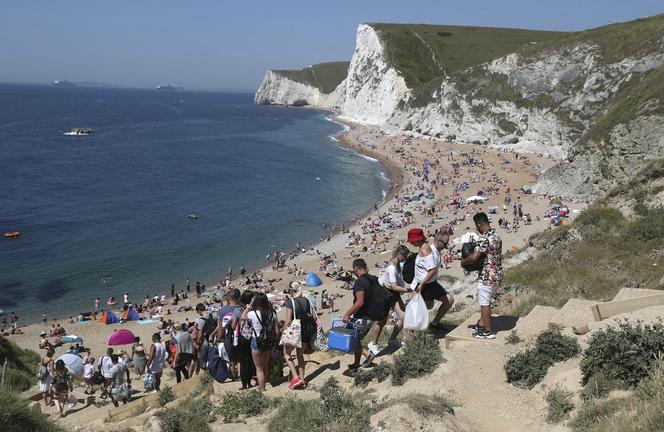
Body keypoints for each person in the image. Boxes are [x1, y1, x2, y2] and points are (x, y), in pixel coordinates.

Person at [461, 212, 503, 339]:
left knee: (485, 303)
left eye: (476, 226)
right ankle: (481, 324)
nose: (477, 229)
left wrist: (463, 262)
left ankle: (487, 331)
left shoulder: (484, 238)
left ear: (479, 224)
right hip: (497, 273)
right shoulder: (496, 235)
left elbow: (474, 258)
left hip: (487, 275)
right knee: (486, 300)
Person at [407, 228, 454, 331]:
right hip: (423, 285)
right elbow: (431, 270)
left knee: (449, 300)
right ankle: (414, 338)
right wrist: (422, 285)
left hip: (432, 284)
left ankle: (435, 324)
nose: (447, 246)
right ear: (437, 241)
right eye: (445, 243)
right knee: (420, 311)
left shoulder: (436, 251)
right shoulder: (429, 251)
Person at [343, 258, 383, 371]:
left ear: (356, 269)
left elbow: (360, 301)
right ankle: (356, 364)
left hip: (363, 316)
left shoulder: (360, 281)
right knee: (356, 340)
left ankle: (367, 354)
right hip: (371, 315)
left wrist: (347, 314)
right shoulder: (373, 278)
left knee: (352, 339)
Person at [370, 244, 411, 353]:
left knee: (404, 316)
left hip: (393, 295)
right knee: (381, 321)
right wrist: (408, 290)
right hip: (386, 295)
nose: (405, 259)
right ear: (400, 255)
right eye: (405, 256)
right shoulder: (392, 268)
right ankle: (373, 344)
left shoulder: (396, 266)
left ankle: (393, 339)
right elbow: (393, 286)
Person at [282, 282, 316, 390]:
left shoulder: (290, 302)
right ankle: (302, 379)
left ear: (292, 291)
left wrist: (283, 331)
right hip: (306, 330)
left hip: (296, 331)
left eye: (289, 290)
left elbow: (287, 321)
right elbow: (313, 316)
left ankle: (295, 377)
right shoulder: (306, 300)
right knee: (300, 355)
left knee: (286, 354)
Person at [240, 292, 277, 391]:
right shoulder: (271, 313)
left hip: (256, 340)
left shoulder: (252, 313)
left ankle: (262, 388)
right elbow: (275, 330)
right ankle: (264, 385)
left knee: (259, 368)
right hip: (268, 341)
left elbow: (242, 316)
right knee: (265, 366)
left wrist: (250, 306)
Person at [215, 290, 241, 380]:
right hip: (239, 336)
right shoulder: (240, 308)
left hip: (228, 337)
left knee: (231, 360)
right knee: (239, 359)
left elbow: (220, 327)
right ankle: (240, 376)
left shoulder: (221, 311)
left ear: (228, 299)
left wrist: (218, 338)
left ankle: (234, 378)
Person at [236, 290, 256, 390]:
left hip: (243, 337)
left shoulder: (242, 310)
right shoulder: (255, 309)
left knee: (244, 362)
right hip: (252, 336)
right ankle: (249, 382)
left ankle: (245, 384)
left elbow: (240, 320)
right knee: (250, 361)